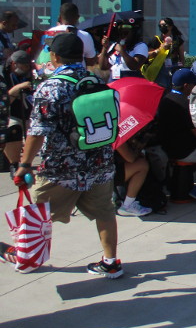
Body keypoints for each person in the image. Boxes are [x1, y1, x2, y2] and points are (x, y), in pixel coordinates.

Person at [12, 33, 123, 278]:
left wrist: (25, 164)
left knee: (37, 211)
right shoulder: (96, 80)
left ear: (55, 56)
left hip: (61, 167)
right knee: (105, 211)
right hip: (99, 163)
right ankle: (111, 263)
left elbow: (37, 131)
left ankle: (27, 257)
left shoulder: (51, 87)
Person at [155, 68, 196, 204]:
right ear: (186, 85)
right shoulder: (184, 104)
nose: (195, 87)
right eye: (194, 84)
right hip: (185, 150)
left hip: (169, 146)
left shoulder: (166, 98)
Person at [3, 51, 33, 175]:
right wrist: (17, 89)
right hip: (9, 114)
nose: (27, 68)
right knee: (13, 128)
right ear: (14, 64)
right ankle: (14, 164)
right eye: (24, 66)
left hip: (29, 112)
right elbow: (4, 102)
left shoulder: (28, 74)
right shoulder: (3, 75)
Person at [113, 131, 153, 217]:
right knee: (142, 165)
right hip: (104, 175)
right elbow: (130, 158)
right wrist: (137, 152)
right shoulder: (113, 134)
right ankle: (128, 205)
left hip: (93, 173)